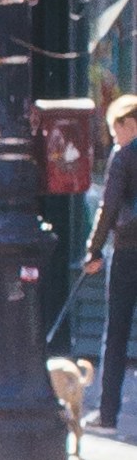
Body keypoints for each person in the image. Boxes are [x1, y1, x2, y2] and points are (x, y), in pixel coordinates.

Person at [91, 95, 137, 432]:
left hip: (127, 250)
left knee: (117, 333)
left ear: (129, 124)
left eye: (114, 129)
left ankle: (107, 416)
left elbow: (108, 208)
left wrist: (93, 250)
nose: (113, 136)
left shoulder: (124, 157)